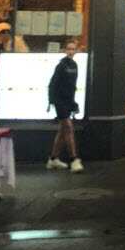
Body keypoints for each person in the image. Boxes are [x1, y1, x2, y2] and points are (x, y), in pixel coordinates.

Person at [47, 40, 83, 173]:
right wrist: (51, 101)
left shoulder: (74, 65)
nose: (70, 51)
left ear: (76, 51)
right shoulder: (61, 65)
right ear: (64, 50)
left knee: (63, 131)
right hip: (60, 101)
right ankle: (74, 159)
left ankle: (53, 159)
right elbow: (53, 83)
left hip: (67, 101)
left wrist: (73, 103)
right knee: (68, 126)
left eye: (73, 49)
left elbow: (72, 86)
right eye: (68, 49)